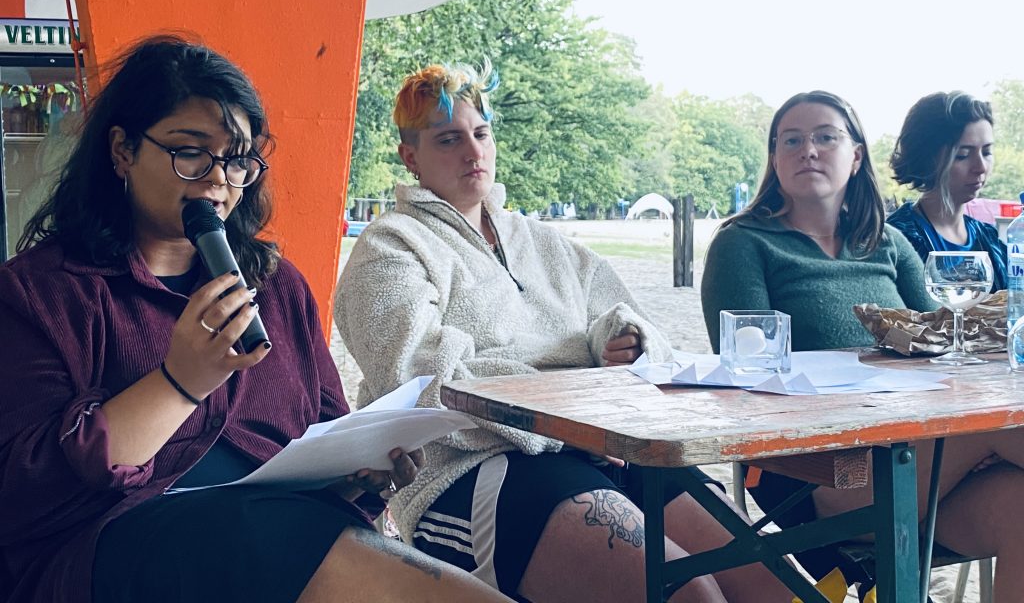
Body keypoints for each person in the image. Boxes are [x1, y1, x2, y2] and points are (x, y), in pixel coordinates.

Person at [0, 37, 511, 603]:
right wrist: (179, 382)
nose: (218, 179)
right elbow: (23, 490)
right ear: (122, 151)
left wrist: (359, 469)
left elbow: (327, 425)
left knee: (304, 536)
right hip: (110, 555)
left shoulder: (276, 284)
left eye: (238, 160)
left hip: (283, 536)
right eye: (190, 152)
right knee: (259, 531)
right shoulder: (41, 291)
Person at [335, 60, 795, 603]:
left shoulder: (546, 242)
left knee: (775, 587)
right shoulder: (391, 248)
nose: (473, 151)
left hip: (604, 449)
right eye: (448, 139)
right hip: (471, 471)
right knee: (691, 595)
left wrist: (620, 340)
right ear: (410, 157)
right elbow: (421, 381)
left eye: (481, 133)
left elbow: (642, 331)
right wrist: (577, 396)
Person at [701, 90, 1024, 599]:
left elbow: (938, 341)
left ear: (855, 156)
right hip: (820, 469)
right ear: (775, 158)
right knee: (1003, 425)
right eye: (792, 140)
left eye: (826, 137)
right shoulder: (743, 243)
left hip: (924, 448)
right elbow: (745, 381)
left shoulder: (887, 244)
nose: (808, 149)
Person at [887, 91, 1006, 290]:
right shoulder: (897, 239)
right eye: (963, 155)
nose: (981, 167)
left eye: (987, 152)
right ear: (927, 159)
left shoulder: (990, 237)